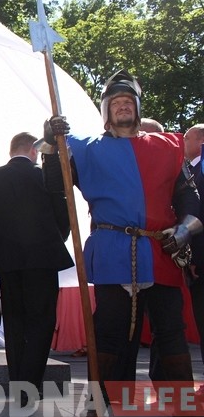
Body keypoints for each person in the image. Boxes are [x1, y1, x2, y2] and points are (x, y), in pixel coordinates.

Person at [44, 69, 201, 409]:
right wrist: (51, 146)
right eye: (115, 102)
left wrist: (184, 230)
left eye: (128, 101)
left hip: (160, 249)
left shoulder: (168, 147)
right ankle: (103, 403)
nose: (123, 106)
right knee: (110, 332)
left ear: (138, 108)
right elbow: (56, 186)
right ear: (106, 111)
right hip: (113, 249)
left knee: (171, 331)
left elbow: (190, 198)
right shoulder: (87, 149)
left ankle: (181, 404)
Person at [0, 132, 73, 406]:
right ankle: (30, 384)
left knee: (14, 323)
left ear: (11, 150)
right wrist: (57, 238)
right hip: (43, 260)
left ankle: (18, 383)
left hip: (9, 261)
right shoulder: (44, 176)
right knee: (41, 322)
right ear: (33, 151)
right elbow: (63, 214)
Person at [183, 124, 204, 371]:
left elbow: (199, 216)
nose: (183, 142)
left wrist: (195, 258)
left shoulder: (199, 172)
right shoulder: (192, 170)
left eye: (186, 138)